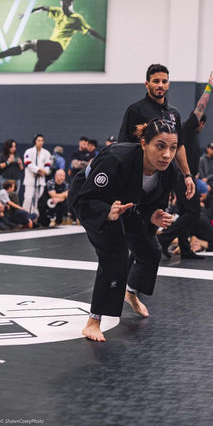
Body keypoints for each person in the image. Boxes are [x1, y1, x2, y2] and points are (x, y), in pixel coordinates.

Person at [69, 118, 179, 341]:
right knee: (115, 253)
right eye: (160, 146)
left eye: (173, 147)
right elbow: (87, 198)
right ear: (144, 143)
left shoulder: (168, 170)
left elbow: (152, 203)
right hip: (94, 199)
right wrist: (106, 213)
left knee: (150, 250)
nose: (167, 154)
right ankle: (93, 320)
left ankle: (131, 292)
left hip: (127, 205)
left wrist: (153, 215)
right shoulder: (116, 158)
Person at [158, 72, 213, 259]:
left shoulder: (186, 133)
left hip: (181, 178)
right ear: (200, 123)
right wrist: (209, 86)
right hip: (184, 178)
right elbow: (200, 107)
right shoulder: (189, 128)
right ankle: (164, 239)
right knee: (193, 213)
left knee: (184, 212)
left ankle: (184, 248)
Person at [118, 63, 195, 199]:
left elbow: (179, 146)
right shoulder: (135, 110)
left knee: (158, 215)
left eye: (164, 81)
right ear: (147, 84)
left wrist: (187, 175)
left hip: (164, 177)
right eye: (156, 81)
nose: (160, 85)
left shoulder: (174, 113)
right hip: (139, 175)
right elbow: (123, 146)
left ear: (168, 85)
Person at [0, 0, 106, 72]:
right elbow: (42, 7)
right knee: (37, 70)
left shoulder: (77, 18)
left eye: (66, 5)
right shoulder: (58, 11)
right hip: (52, 52)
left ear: (70, 4)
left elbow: (90, 30)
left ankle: (1, 55)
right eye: (62, 5)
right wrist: (26, 13)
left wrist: (104, 39)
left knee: (28, 44)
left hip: (57, 46)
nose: (63, 8)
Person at [23, 134, 52, 214]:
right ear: (35, 141)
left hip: (41, 180)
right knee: (28, 198)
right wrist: (38, 170)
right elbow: (28, 164)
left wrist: (43, 172)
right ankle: (25, 217)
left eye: (42, 141)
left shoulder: (46, 153)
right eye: (39, 140)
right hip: (31, 179)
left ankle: (34, 218)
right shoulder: (29, 151)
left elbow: (48, 166)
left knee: (37, 200)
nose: (40, 142)